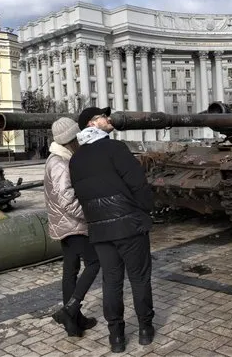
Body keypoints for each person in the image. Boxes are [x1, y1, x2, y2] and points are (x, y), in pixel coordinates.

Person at [69, 107, 155, 353]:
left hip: (100, 231)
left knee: (111, 282)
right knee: (139, 279)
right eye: (103, 117)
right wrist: (146, 209)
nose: (109, 119)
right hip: (129, 225)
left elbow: (81, 195)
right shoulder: (116, 148)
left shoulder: (76, 159)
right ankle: (145, 330)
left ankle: (116, 337)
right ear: (92, 123)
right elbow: (138, 183)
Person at [44, 117, 100, 337]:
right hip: (73, 224)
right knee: (94, 263)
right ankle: (70, 310)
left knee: (71, 270)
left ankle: (73, 321)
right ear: (69, 139)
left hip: (66, 224)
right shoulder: (59, 163)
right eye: (76, 137)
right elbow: (67, 201)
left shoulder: (61, 159)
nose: (80, 140)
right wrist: (90, 215)